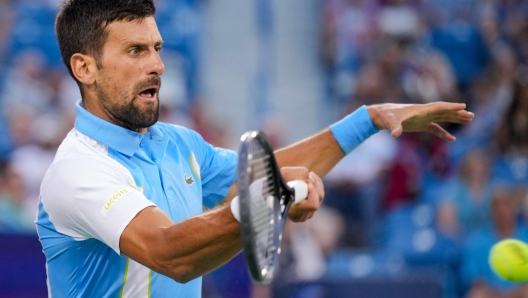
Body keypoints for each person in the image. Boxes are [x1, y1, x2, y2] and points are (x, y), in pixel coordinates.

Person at [35, 0, 474, 297]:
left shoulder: (178, 143)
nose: (157, 65)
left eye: (156, 48)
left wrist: (369, 119)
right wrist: (267, 200)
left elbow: (267, 171)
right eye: (135, 51)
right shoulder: (78, 171)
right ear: (84, 67)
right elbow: (169, 253)